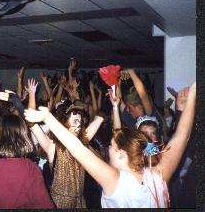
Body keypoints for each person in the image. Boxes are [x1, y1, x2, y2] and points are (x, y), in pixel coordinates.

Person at [24, 82, 196, 208]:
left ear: (122, 154)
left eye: (111, 147)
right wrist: (192, 96)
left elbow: (77, 149)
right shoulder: (158, 176)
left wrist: (48, 118)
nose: (108, 150)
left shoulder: (115, 181)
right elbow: (182, 136)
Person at [24, 78, 104, 208]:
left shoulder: (82, 143)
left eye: (79, 122)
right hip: (59, 203)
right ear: (64, 124)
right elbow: (31, 123)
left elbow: (100, 117)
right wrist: (32, 95)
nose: (77, 126)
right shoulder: (52, 146)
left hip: (80, 202)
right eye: (74, 121)